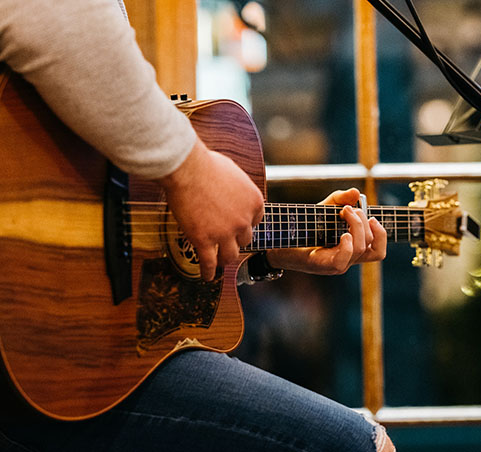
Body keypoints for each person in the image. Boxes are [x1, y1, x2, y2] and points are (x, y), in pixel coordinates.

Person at [0, 0, 394, 451]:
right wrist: (190, 168)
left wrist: (262, 253)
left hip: (75, 352)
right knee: (363, 445)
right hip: (54, 364)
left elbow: (126, 242)